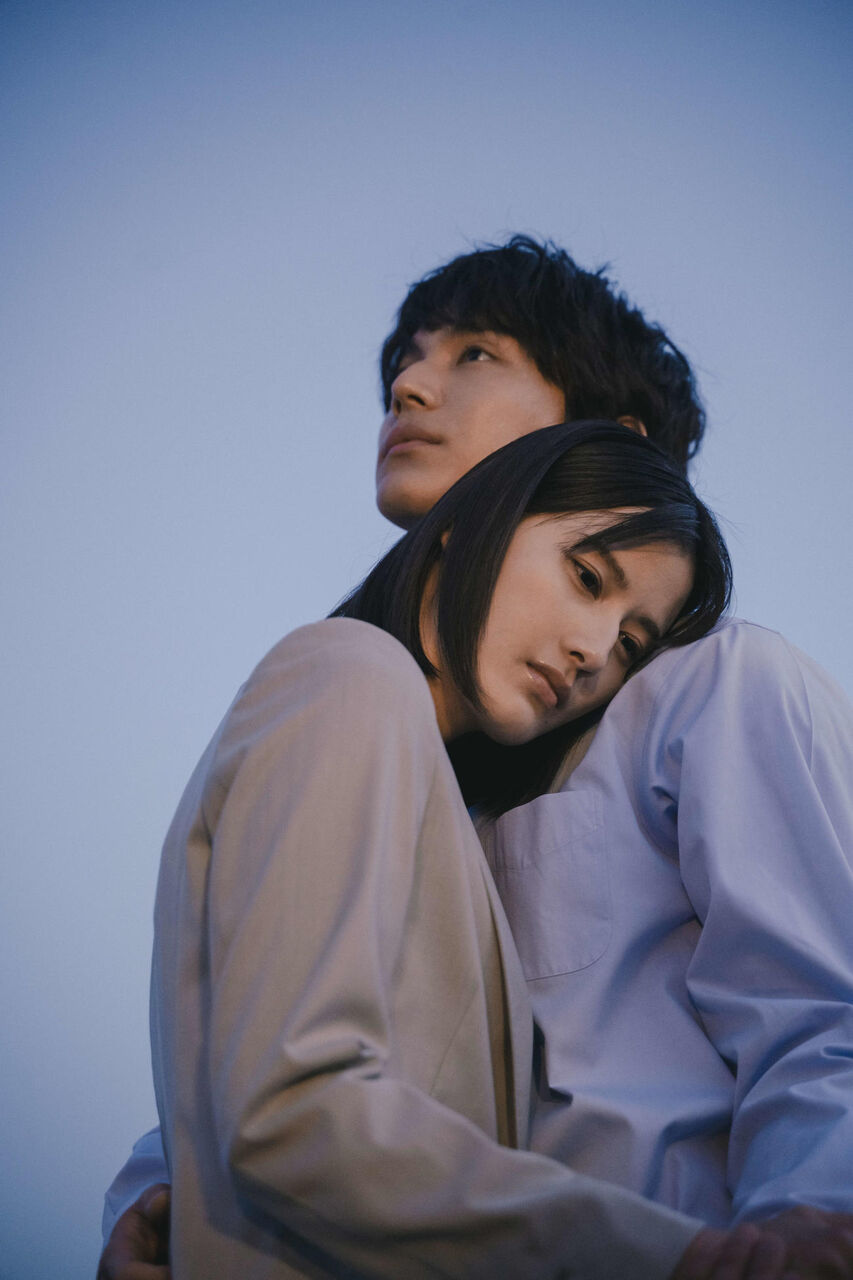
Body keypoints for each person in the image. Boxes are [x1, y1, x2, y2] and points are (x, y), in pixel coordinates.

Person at [98, 238, 853, 1278]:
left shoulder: (714, 688)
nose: (409, 386)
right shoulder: (381, 709)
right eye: (409, 359)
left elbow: (819, 1010)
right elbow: (284, 1034)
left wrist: (801, 1227)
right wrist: (155, 1196)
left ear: (607, 438)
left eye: (475, 354)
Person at [147, 421, 732, 1278]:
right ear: (472, 522)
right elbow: (294, 1112)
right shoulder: (352, 676)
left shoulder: (439, 801)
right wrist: (680, 1257)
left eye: (630, 644)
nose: (592, 651)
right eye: (586, 577)